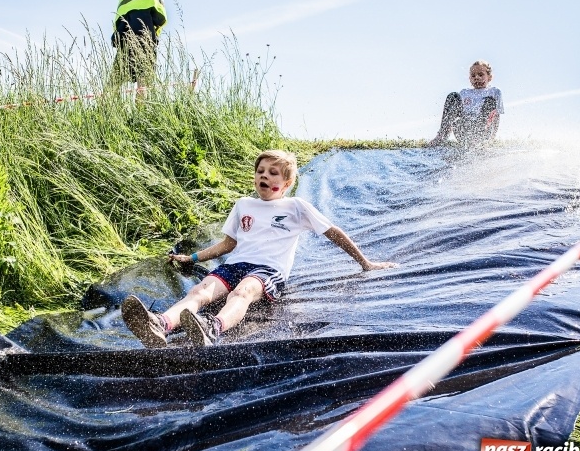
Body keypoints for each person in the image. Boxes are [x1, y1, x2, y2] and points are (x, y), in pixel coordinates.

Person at [121, 149, 398, 348]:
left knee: (243, 292)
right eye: (260, 171)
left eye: (272, 173)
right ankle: (161, 324)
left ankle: (212, 328)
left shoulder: (296, 207)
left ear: (286, 183)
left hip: (268, 270)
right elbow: (229, 244)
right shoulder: (243, 205)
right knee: (200, 291)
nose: (264, 176)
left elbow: (333, 233)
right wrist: (192, 257)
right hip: (235, 265)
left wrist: (366, 263)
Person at [112, 0, 172, 99]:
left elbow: (119, 17)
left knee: (114, 81)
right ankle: (140, 114)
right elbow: (160, 19)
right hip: (144, 41)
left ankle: (103, 112)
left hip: (124, 41)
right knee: (143, 81)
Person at [429, 60, 504, 146]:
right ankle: (442, 136)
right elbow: (454, 114)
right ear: (469, 79)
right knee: (453, 95)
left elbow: (496, 117)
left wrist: (492, 138)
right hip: (464, 129)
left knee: (490, 100)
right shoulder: (464, 93)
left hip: (483, 132)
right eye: (473, 75)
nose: (476, 77)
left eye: (481, 75)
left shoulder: (494, 92)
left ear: (489, 77)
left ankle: (477, 141)